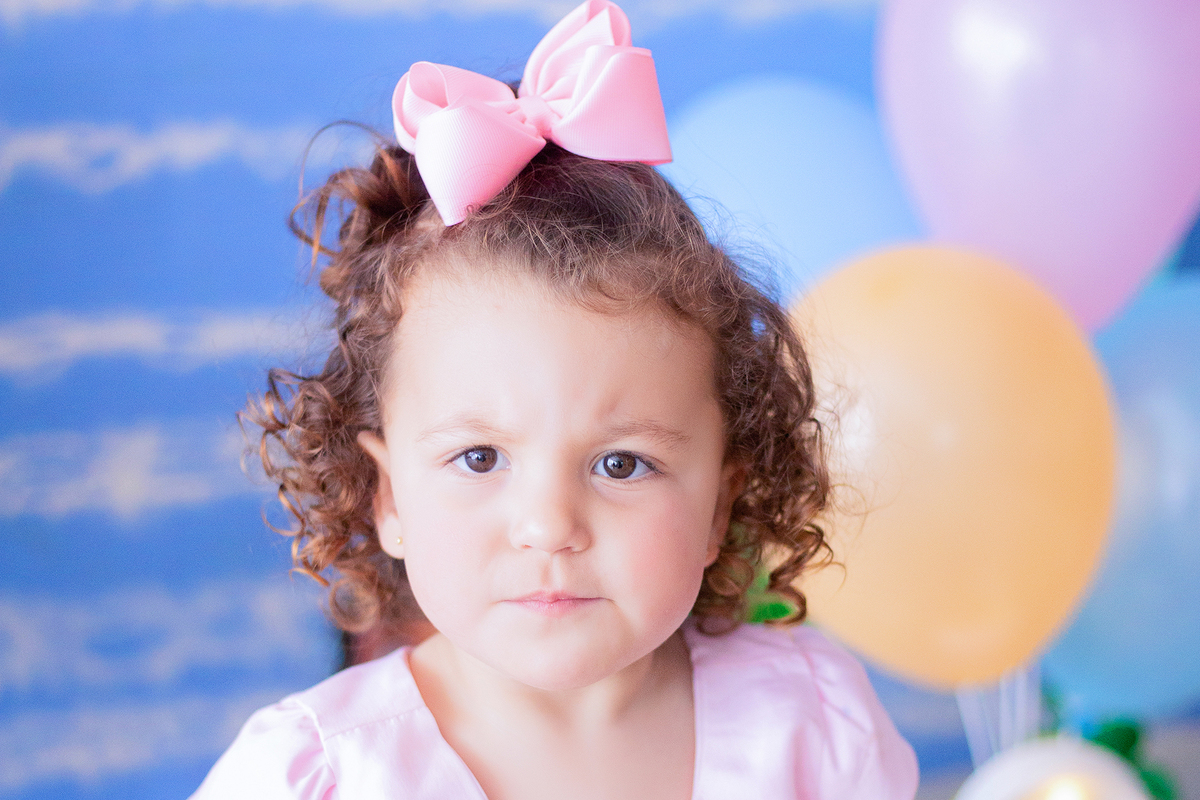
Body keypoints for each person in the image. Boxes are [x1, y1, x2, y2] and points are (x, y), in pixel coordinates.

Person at [191, 2, 919, 797]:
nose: (550, 526)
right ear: (389, 494)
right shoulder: (315, 776)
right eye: (480, 457)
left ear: (720, 501)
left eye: (621, 462)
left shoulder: (812, 725)